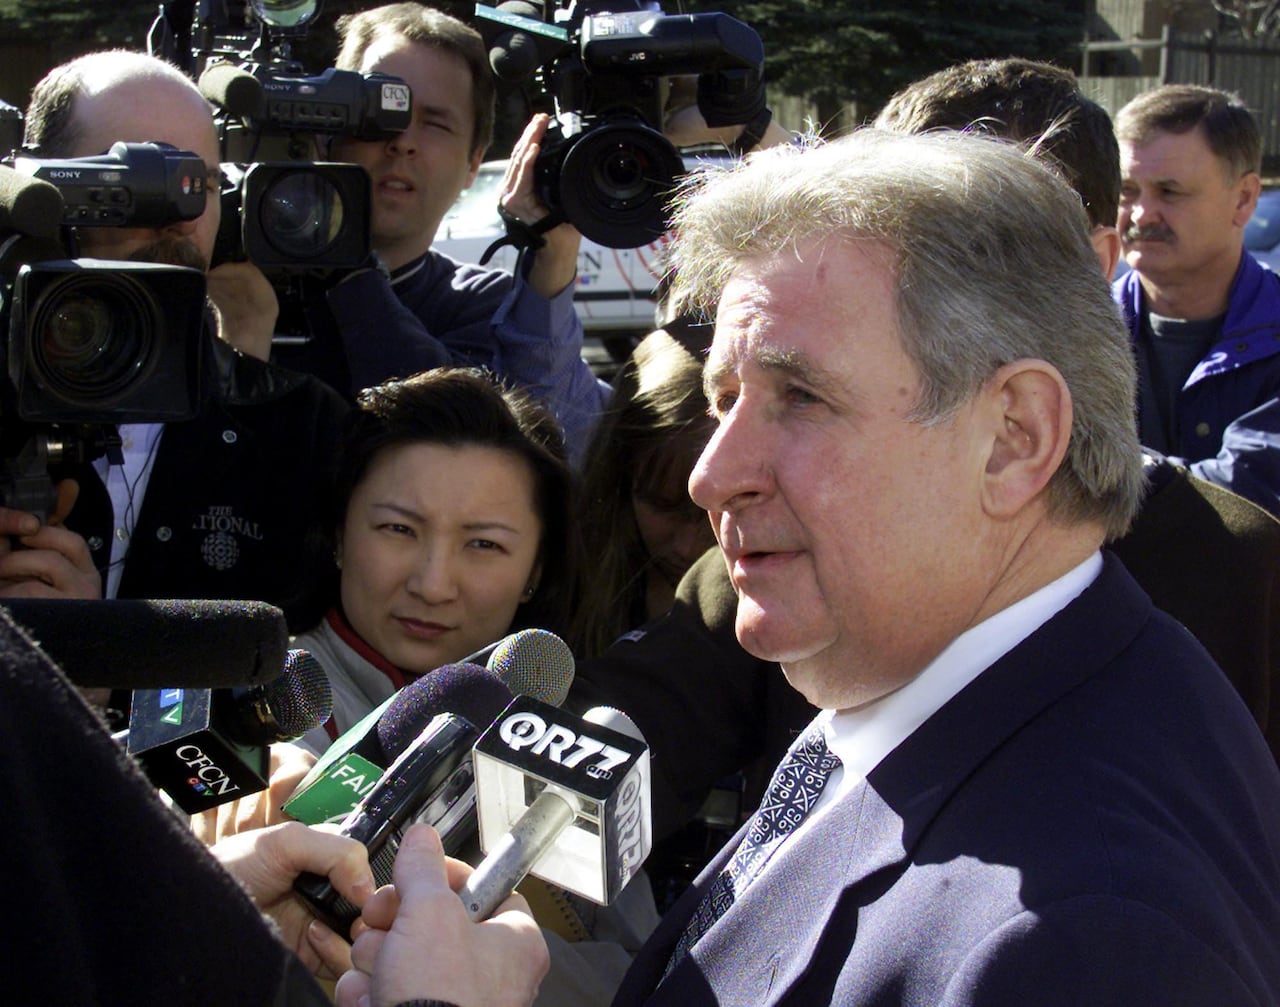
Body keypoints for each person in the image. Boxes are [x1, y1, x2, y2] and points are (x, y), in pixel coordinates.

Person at [348, 127, 1280, 1006]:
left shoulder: (1088, 940)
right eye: (724, 400)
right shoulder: (916, 666)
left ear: (1014, 438)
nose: (712, 475)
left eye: (800, 396)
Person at [15, 50, 349, 632]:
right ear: (35, 186)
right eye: (138, 177)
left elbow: (295, 694)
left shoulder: (303, 430)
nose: (179, 212)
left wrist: (97, 657)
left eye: (203, 182)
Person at [227, 2, 611, 462]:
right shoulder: (233, 270)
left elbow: (483, 443)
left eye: (434, 122)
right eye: (380, 109)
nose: (402, 140)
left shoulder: (486, 310)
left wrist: (343, 258)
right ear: (326, 128)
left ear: (474, 162)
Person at [291, 366, 578, 752]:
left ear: (537, 570)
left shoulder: (569, 726)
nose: (433, 587)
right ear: (339, 533)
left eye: (483, 545)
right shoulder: (270, 710)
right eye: (399, 529)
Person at [1113, 83, 1280, 515]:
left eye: (1170, 192)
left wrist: (1094, 479)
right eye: (1128, 190)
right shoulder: (1075, 329)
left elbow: (1249, 494)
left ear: (1243, 200)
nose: (1141, 213)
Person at [570, 319, 716, 658]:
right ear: (617, 480)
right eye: (660, 504)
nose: (686, 545)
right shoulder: (563, 585)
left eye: (714, 513)